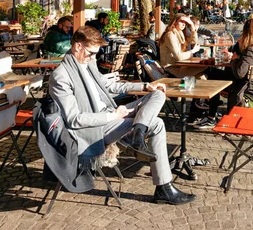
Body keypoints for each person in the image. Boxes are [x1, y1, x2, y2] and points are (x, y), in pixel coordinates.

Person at [48, 26, 195, 205]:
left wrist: (144, 87)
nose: (94, 57)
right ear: (78, 46)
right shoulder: (61, 76)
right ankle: (163, 186)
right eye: (91, 53)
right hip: (94, 128)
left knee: (158, 94)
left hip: (112, 115)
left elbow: (107, 85)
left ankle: (138, 133)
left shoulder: (87, 63)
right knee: (156, 123)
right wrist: (113, 116)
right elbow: (74, 119)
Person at [158, 14, 203, 78]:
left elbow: (193, 41)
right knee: (208, 69)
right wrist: (192, 51)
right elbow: (178, 56)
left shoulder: (180, 34)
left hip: (180, 66)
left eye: (185, 22)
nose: (184, 24)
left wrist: (192, 25)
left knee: (203, 75)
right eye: (181, 21)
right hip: (170, 69)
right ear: (175, 22)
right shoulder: (170, 35)